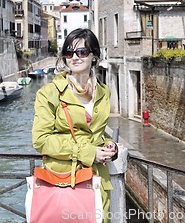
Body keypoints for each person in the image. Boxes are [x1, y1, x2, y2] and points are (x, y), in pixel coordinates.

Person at [32, 28, 118, 223]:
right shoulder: (49, 93)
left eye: (82, 52)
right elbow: (41, 140)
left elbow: (94, 133)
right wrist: (88, 153)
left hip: (98, 182)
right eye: (69, 53)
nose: (75, 57)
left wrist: (109, 146)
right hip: (64, 183)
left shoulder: (103, 92)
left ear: (94, 57)